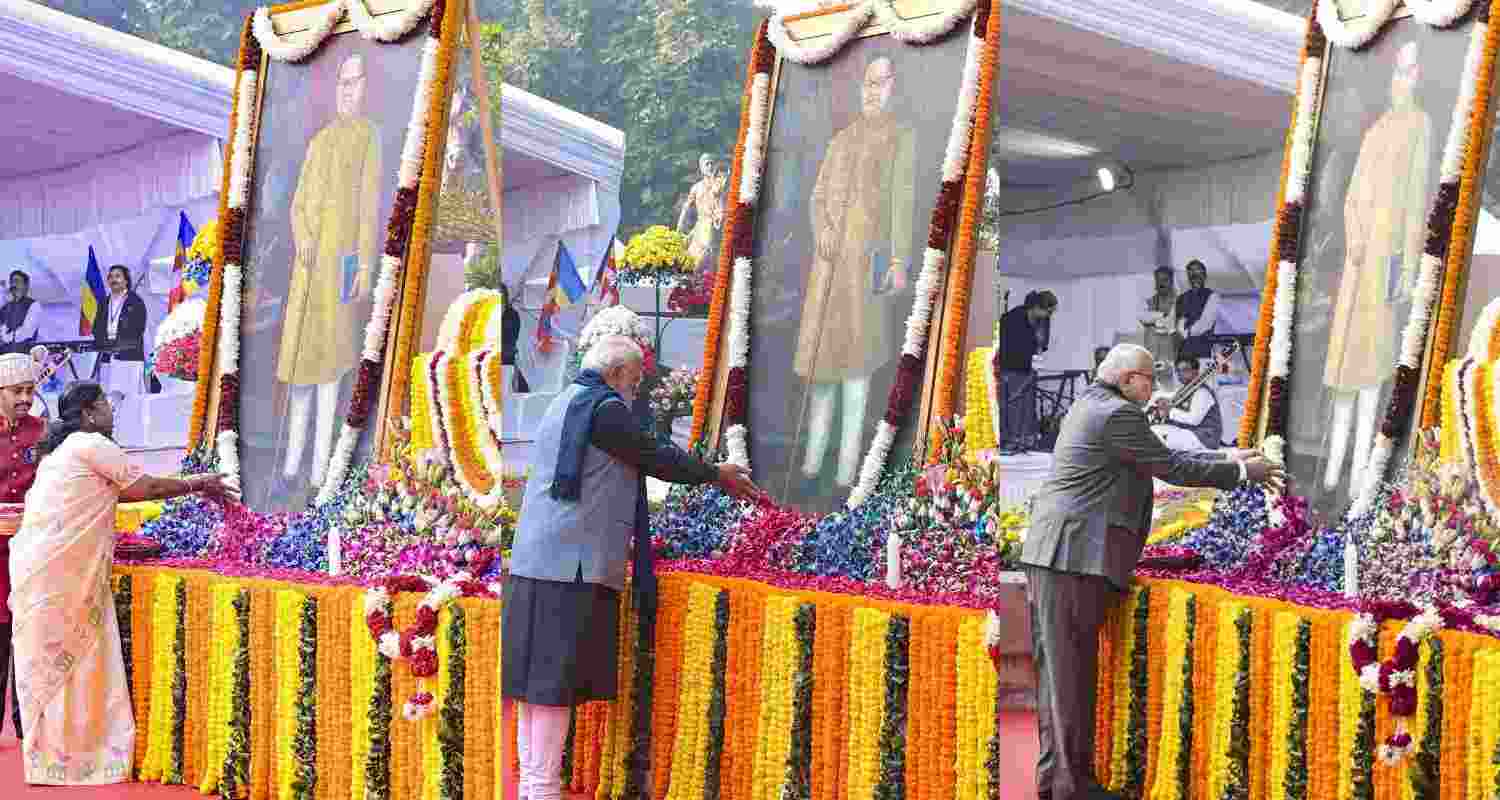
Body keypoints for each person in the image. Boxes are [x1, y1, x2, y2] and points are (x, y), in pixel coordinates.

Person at [503, 336, 762, 800]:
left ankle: (532, 787)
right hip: (568, 565)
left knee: (537, 687)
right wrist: (715, 473)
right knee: (551, 687)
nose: (638, 391)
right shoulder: (605, 409)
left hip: (540, 561)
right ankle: (540, 790)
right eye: (637, 380)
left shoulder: (567, 399)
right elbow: (655, 455)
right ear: (619, 374)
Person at [1019, 344, 1282, 800]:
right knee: (1070, 676)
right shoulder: (1119, 416)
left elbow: (1157, 456)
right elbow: (1172, 465)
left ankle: (1058, 781)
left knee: (1060, 675)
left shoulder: (1094, 402)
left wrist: (1236, 457)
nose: (1153, 384)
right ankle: (1070, 787)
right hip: (1074, 557)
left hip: (1061, 554)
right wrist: (1242, 472)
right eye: (1147, 377)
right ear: (1126, 380)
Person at [10, 382, 233, 785]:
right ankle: (83, 760)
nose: (112, 413)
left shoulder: (62, 452)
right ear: (90, 413)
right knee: (78, 661)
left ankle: (51, 761)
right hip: (64, 575)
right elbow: (143, 487)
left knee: (53, 663)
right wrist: (199, 483)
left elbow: (118, 494)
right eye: (107, 405)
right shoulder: (92, 444)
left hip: (40, 569)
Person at [794, 55, 916, 490]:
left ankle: (848, 469)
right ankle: (811, 466)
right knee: (823, 369)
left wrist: (899, 261)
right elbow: (818, 196)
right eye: (867, 82)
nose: (872, 90)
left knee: (858, 369)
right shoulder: (841, 140)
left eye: (881, 83)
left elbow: (904, 204)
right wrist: (823, 226)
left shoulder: (901, 139)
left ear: (895, 89)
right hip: (828, 273)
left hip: (867, 266)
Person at [1324, 40, 1429, 493]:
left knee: (1372, 370)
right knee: (1345, 369)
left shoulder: (1418, 127)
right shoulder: (1375, 130)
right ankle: (1332, 466)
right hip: (1358, 263)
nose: (1399, 81)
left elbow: (1415, 202)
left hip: (1386, 262)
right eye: (1395, 72)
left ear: (1418, 78)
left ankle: (1362, 469)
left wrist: (1401, 272)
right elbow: (1350, 195)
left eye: (1407, 72)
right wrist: (1355, 239)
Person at [277, 51, 382, 500]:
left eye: (355, 82)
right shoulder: (319, 141)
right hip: (308, 272)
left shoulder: (368, 137)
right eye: (342, 81)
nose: (347, 89)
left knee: (331, 369)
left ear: (367, 89)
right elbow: (298, 203)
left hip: (340, 266)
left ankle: (321, 470)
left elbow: (369, 208)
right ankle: (289, 466)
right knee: (301, 368)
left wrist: (362, 265)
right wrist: (301, 234)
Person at [0, 353, 44, 741]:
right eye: (17, 390)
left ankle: (27, 723)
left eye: (30, 390)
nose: (25, 398)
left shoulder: (42, 432)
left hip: (31, 550)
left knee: (29, 634)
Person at [994, 290, 1057, 449]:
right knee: (1011, 406)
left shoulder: (1043, 321)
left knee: (1027, 407)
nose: (1048, 316)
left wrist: (1039, 345)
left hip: (1028, 370)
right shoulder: (1011, 319)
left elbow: (1042, 345)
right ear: (1036, 307)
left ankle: (1024, 441)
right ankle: (1008, 440)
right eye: (1046, 311)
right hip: (1010, 369)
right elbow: (1006, 348)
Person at [94, 265, 147, 446]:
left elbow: (138, 328)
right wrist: (104, 343)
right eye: (110, 277)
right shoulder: (103, 302)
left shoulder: (135, 301)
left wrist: (120, 342)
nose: (113, 279)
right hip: (108, 356)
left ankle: (132, 437)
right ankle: (109, 436)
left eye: (117, 276)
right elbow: (96, 328)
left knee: (131, 396)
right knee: (109, 397)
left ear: (126, 280)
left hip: (129, 356)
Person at [1151, 354, 1224, 450]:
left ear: (1196, 371)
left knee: (1159, 438)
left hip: (1204, 438)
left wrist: (1169, 412)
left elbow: (1194, 419)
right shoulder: (1184, 390)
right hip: (1190, 433)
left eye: (1185, 370)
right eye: (1178, 371)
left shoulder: (1202, 392)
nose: (1180, 374)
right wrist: (1162, 403)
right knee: (1154, 431)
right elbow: (1171, 403)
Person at [675, 154, 726, 274]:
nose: (709, 166)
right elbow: (686, 208)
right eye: (706, 164)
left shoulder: (720, 183)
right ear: (701, 168)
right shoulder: (696, 188)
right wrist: (679, 228)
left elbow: (721, 200)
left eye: (711, 163)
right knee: (692, 261)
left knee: (710, 253)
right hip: (700, 226)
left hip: (715, 225)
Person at [1174, 260, 1222, 360]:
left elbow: (1205, 323)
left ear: (1204, 276)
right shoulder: (1182, 298)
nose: (1195, 277)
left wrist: (1186, 332)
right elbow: (1179, 323)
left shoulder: (1212, 296)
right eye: (1191, 273)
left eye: (1198, 273)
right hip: (1184, 351)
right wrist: (1182, 332)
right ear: (1188, 277)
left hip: (1203, 349)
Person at [1141, 266, 1178, 364]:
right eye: (1158, 280)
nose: (1161, 283)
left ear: (1172, 282)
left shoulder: (1181, 301)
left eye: (1165, 280)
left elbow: (1174, 322)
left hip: (1173, 358)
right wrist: (1162, 316)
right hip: (1153, 358)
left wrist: (1156, 317)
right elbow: (1143, 318)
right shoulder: (1149, 302)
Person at [0, 271, 40, 355]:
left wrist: (5, 338)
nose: (14, 285)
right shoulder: (5, 307)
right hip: (4, 357)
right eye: (12, 282)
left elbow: (26, 332)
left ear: (26, 286)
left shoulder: (34, 305)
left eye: (17, 281)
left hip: (23, 356)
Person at [500, 284, 530, 394]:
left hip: (507, 360)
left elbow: (512, 340)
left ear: (505, 297)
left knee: (522, 390)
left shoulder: (512, 315)